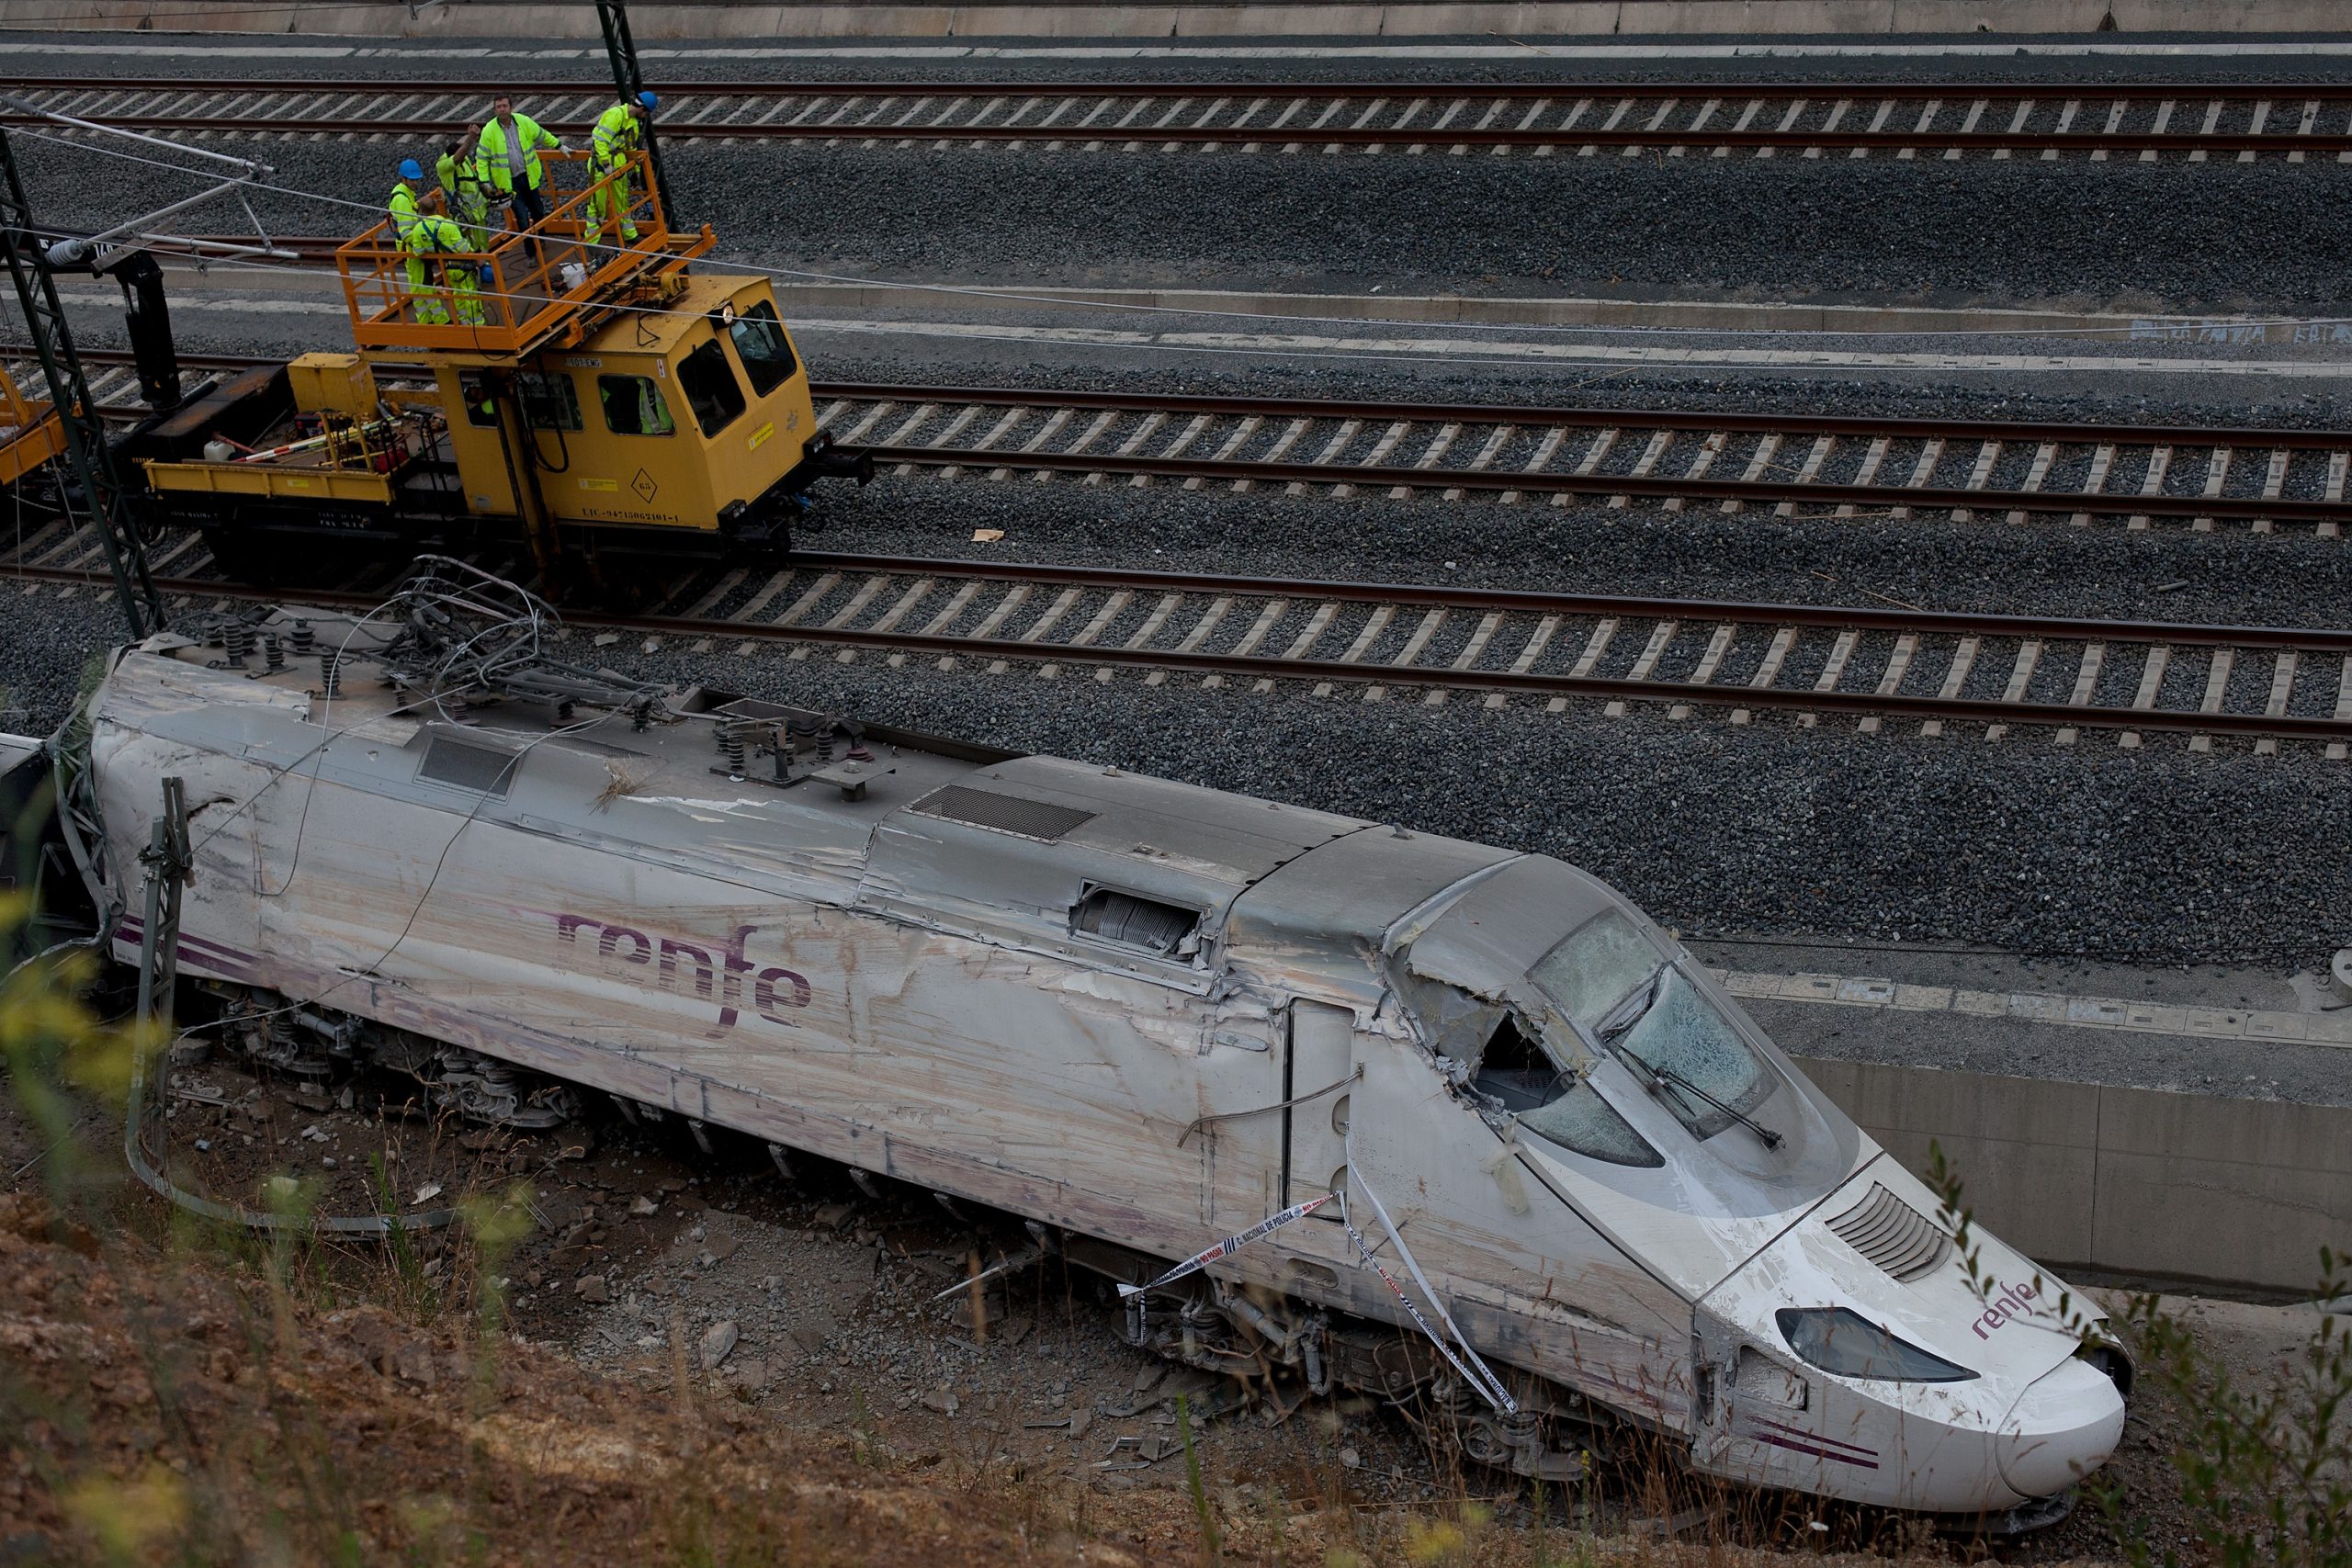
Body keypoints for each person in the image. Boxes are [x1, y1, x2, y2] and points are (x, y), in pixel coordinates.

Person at [474, 95, 563, 247]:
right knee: (522, 219)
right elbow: (481, 159)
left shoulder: (523, 121)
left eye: (504, 106)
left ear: (510, 107)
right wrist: (484, 182)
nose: (502, 110)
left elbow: (542, 135)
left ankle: (541, 240)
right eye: (498, 107)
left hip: (529, 176)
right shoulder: (489, 131)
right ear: (494, 110)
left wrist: (559, 146)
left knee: (538, 212)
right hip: (509, 183)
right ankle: (531, 253)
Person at [585, 89, 656, 249]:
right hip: (601, 167)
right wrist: (606, 164)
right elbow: (599, 141)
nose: (646, 117)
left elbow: (630, 150)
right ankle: (591, 242)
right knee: (598, 205)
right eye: (647, 114)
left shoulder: (632, 123)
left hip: (620, 166)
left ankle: (630, 235)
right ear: (642, 109)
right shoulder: (615, 115)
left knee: (622, 201)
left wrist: (635, 173)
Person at [404, 209, 485, 327]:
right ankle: (478, 325)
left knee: (457, 295)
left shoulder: (418, 229)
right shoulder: (448, 225)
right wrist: (478, 259)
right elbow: (463, 248)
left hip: (447, 267)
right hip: (463, 267)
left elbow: (418, 252)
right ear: (436, 210)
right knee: (470, 296)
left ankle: (464, 323)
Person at [435, 137, 493, 252]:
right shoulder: (443, 166)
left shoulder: (464, 159)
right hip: (463, 215)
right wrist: (470, 137)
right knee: (469, 245)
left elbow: (473, 180)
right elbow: (456, 159)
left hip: (478, 213)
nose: (463, 159)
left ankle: (485, 258)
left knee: (483, 243)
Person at [389, 158, 432, 312]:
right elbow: (406, 233)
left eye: (417, 179)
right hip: (411, 248)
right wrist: (425, 244)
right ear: (403, 178)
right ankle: (428, 320)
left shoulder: (407, 194)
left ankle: (429, 319)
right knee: (419, 285)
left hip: (414, 247)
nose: (415, 183)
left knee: (422, 283)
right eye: (412, 180)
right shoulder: (402, 199)